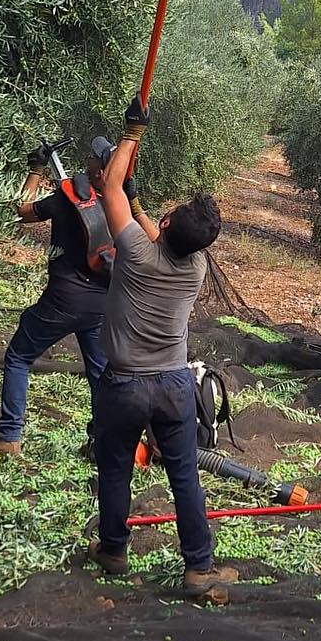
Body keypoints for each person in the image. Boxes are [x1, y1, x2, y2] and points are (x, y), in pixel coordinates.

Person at [90, 96, 232, 595]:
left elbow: (108, 188)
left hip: (125, 384)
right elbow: (159, 232)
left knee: (115, 468)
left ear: (167, 225)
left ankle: (113, 549)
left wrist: (132, 133)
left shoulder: (132, 251)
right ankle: (199, 567)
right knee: (184, 475)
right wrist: (137, 203)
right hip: (174, 385)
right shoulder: (194, 267)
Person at [0, 136, 124, 456]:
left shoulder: (66, 198)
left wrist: (36, 168)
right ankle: (103, 445)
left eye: (95, 157)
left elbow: (22, 211)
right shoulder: (123, 207)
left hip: (63, 301)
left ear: (100, 172)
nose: (89, 158)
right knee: (100, 375)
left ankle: (8, 436)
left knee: (19, 356)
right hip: (101, 305)